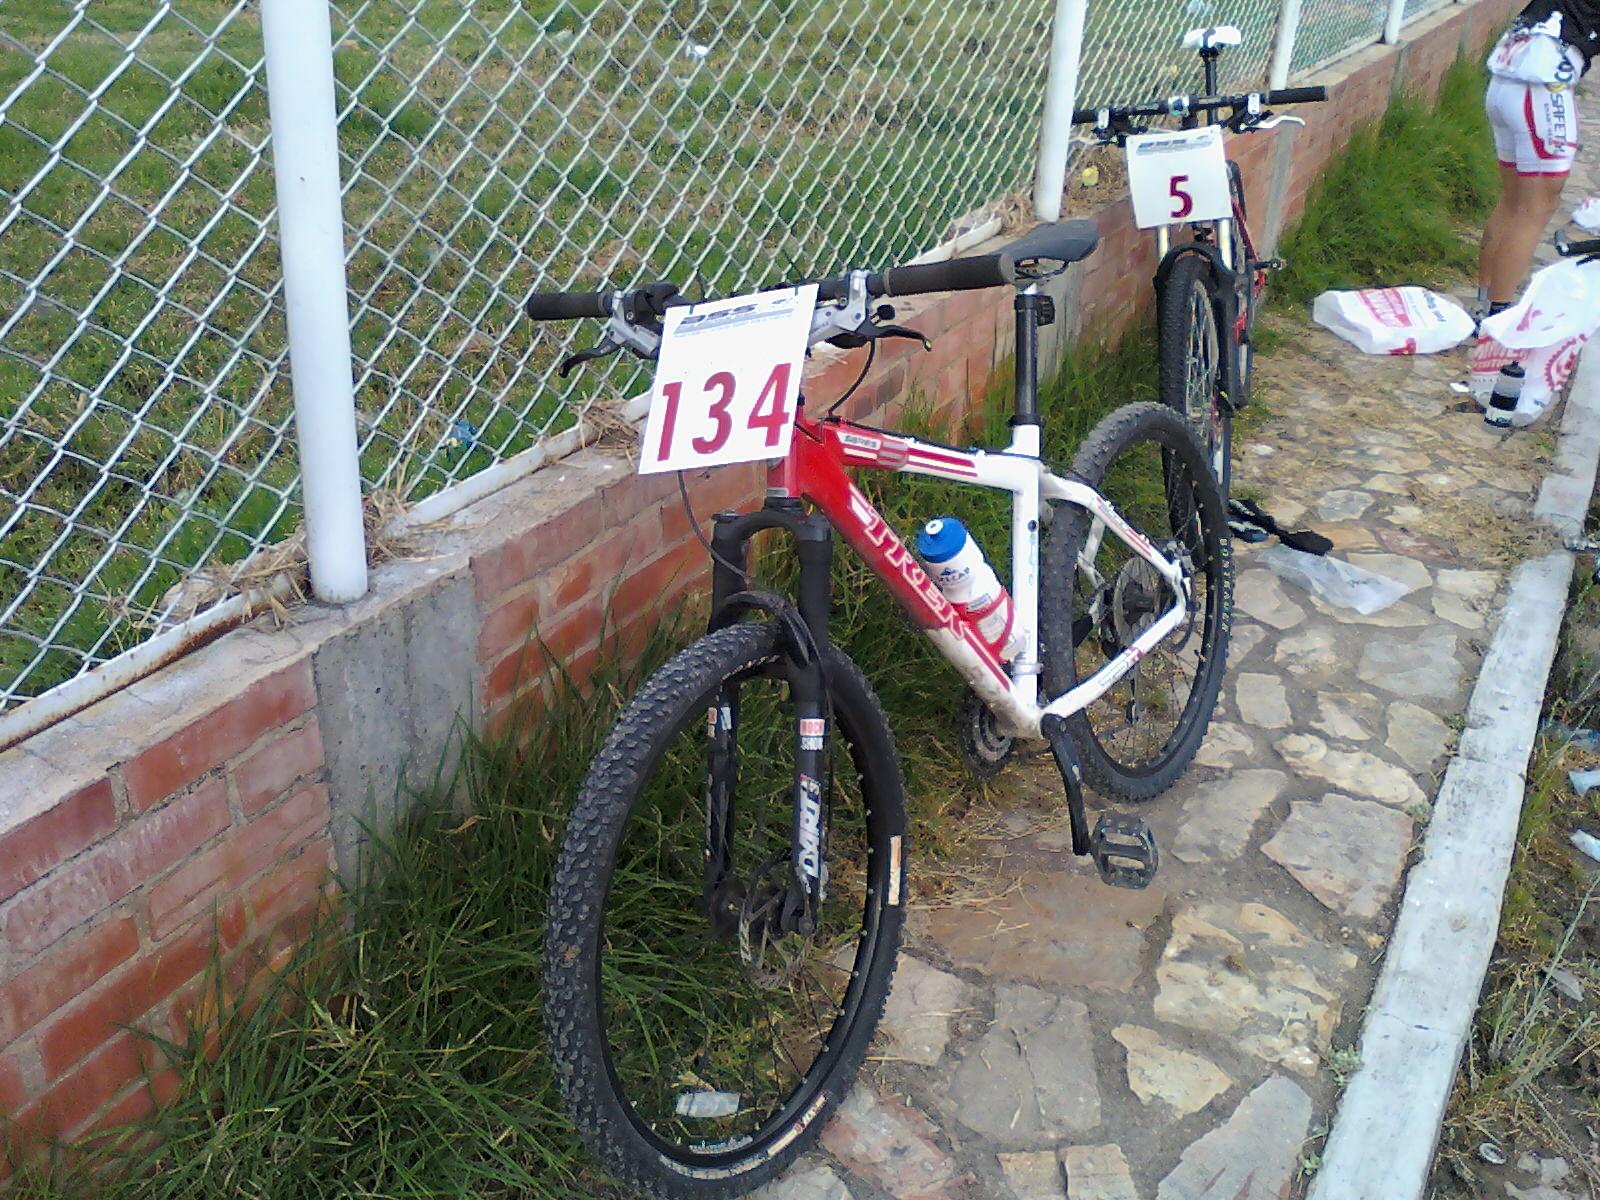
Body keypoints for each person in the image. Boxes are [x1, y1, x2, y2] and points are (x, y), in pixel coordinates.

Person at [1476, 0, 1599, 322]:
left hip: (1509, 72)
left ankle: (1485, 304)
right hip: (1543, 79)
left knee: (1514, 200)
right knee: (1536, 207)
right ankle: (1498, 317)